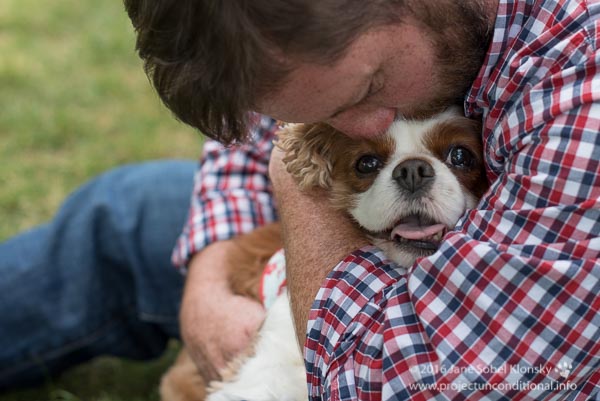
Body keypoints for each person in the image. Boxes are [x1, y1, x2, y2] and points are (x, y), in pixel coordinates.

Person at [0, 0, 597, 400]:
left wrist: (296, 183)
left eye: (368, 88)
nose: (361, 127)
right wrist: (209, 276)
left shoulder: (583, 86)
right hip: (323, 260)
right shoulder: (342, 39)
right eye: (323, 116)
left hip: (470, 325)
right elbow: (256, 140)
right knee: (124, 211)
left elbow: (406, 382)